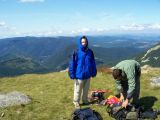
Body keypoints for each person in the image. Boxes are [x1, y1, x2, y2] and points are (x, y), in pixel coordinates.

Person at [68, 36, 97, 108]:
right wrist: (72, 74)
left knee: (86, 90)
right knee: (77, 90)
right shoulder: (76, 52)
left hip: (88, 75)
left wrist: (94, 72)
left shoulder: (90, 52)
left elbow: (93, 62)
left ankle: (85, 100)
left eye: (85, 42)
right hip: (79, 75)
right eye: (82, 42)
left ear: (87, 42)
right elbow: (72, 63)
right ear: (80, 43)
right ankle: (76, 102)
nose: (84, 43)